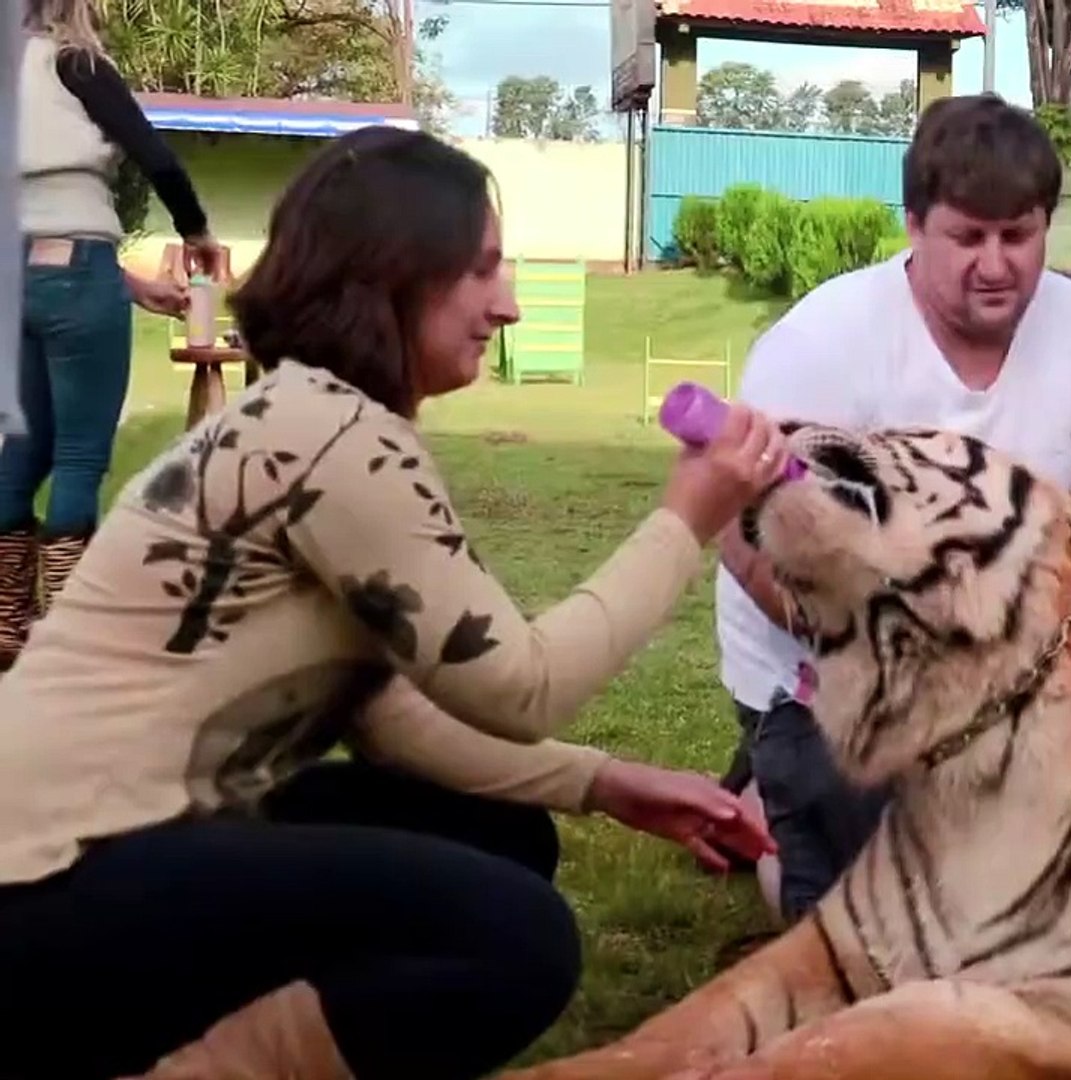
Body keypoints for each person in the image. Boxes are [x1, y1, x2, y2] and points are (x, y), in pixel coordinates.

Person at [0, 127, 784, 1079]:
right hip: (48, 879)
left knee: (493, 834)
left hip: (102, 856)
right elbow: (521, 686)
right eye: (483, 269)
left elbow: (396, 719)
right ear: (396, 273)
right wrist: (685, 520)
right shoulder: (335, 437)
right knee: (513, 935)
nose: (511, 304)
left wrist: (606, 784)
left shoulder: (307, 415)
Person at [714, 92, 1071, 924]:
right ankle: (774, 790)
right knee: (869, 912)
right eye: (968, 236)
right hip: (833, 667)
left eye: (1019, 235)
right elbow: (738, 527)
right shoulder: (824, 339)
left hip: (1021, 657)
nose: (997, 262)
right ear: (913, 224)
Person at [5, 0, 223, 670]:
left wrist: (129, 284)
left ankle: (7, 625)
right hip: (77, 271)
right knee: (77, 458)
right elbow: (156, 158)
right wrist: (197, 233)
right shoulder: (78, 62)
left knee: (22, 451)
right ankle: (71, 638)